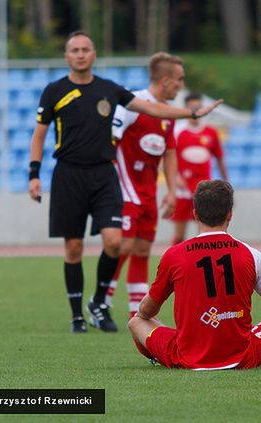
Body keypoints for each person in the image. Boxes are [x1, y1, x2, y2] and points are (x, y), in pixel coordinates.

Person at [28, 31, 223, 334]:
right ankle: (85, 310)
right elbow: (44, 134)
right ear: (67, 56)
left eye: (86, 49)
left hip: (120, 183)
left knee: (128, 245)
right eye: (74, 50)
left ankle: (119, 306)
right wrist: (34, 174)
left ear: (94, 54)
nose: (80, 54)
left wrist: (193, 113)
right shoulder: (56, 91)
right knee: (84, 246)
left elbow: (163, 133)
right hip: (84, 178)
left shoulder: (112, 91)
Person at [128, 180, 261, 369]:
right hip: (242, 358)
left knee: (136, 322)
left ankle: (161, 357)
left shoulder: (174, 255)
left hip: (186, 358)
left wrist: (147, 317)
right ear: (230, 214)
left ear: (195, 214)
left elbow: (147, 310)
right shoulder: (251, 254)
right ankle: (246, 356)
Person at [104, 52, 184, 318]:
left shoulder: (167, 115)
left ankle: (134, 312)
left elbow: (170, 152)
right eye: (179, 80)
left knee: (142, 249)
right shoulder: (132, 104)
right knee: (123, 246)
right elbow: (109, 140)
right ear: (165, 81)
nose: (181, 85)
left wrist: (171, 191)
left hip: (148, 191)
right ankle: (101, 302)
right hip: (125, 188)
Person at [170, 92, 228, 245]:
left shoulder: (211, 132)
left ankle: (198, 266)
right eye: (192, 108)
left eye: (198, 107)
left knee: (204, 232)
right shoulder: (177, 132)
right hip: (182, 190)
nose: (196, 111)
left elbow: (220, 158)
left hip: (204, 189)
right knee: (179, 235)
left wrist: (226, 183)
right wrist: (175, 178)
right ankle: (174, 264)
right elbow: (168, 157)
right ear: (186, 109)